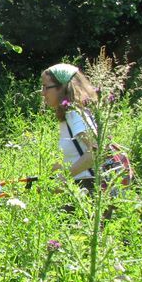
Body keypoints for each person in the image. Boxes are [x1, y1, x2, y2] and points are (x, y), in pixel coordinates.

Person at [40, 63, 98, 191]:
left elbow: (96, 151)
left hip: (90, 189)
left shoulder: (74, 114)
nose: (43, 93)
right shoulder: (68, 116)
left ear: (62, 88)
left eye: (46, 87)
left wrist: (64, 177)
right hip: (82, 187)